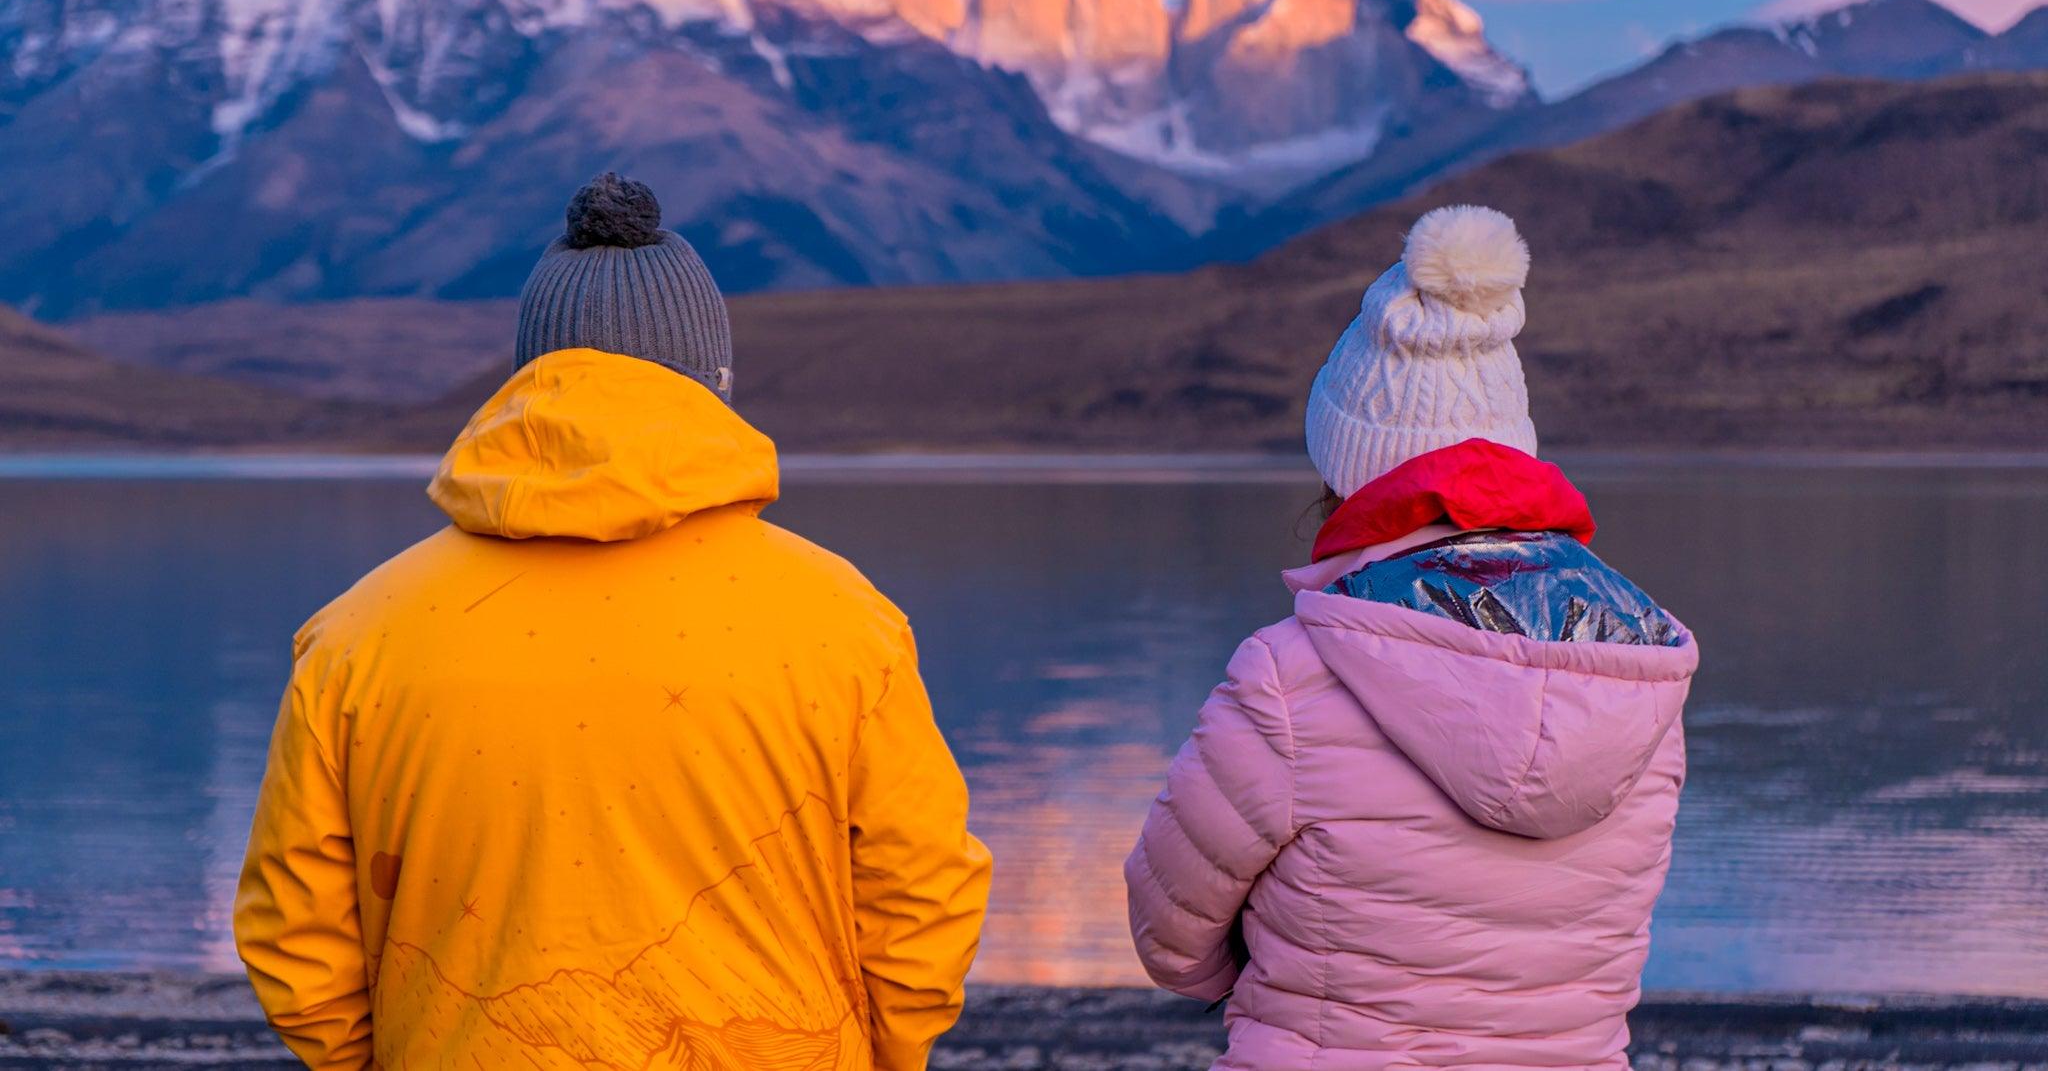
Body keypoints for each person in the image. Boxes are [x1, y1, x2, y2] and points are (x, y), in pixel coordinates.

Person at [235, 173, 991, 1071]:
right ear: (713, 385)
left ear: (526, 382)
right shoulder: (846, 622)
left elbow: (295, 932)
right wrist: (884, 1056)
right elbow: (923, 894)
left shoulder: (355, 637)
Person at [1125, 205, 1699, 1069]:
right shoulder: (1636, 670)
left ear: (1344, 466)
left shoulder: (1288, 679)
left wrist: (1282, 970)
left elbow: (1168, 930)